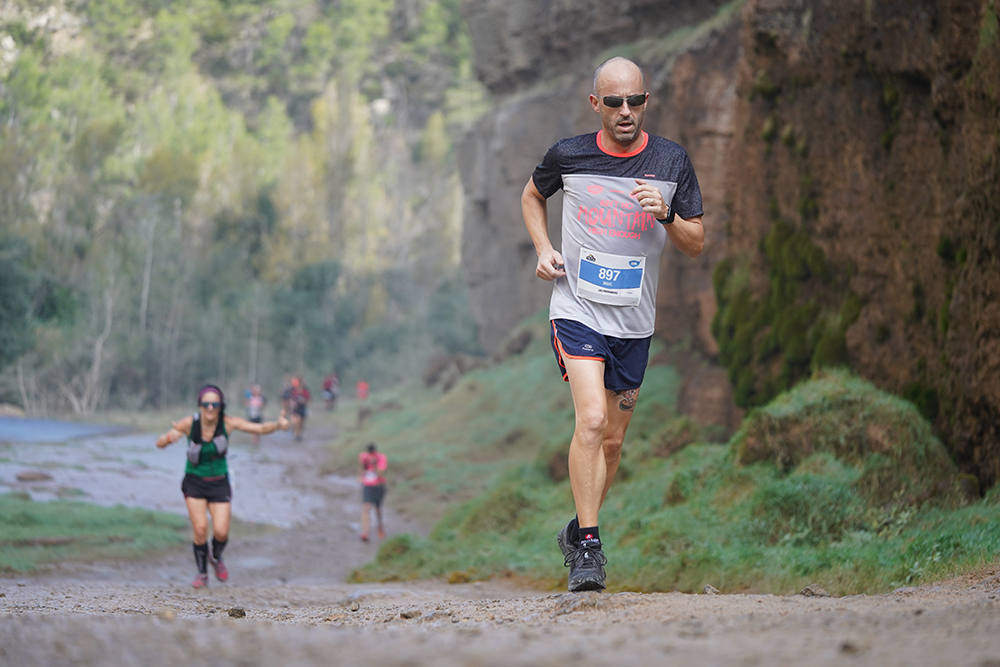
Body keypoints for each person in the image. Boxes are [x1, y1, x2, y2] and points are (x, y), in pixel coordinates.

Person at [520, 56, 704, 592]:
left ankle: (578, 530)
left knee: (614, 445)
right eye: (615, 102)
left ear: (646, 102)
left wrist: (667, 215)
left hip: (634, 322)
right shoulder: (569, 155)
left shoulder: (672, 162)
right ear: (595, 103)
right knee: (593, 420)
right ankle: (590, 553)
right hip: (576, 310)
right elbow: (532, 196)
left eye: (636, 101)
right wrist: (544, 248)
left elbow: (696, 243)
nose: (626, 112)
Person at [155, 384, 289, 588]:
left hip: (219, 483)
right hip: (194, 482)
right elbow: (160, 443)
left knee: (221, 532)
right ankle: (202, 573)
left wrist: (278, 425)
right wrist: (167, 439)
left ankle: (216, 557)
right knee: (200, 529)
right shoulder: (189, 424)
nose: (210, 408)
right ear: (200, 405)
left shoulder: (227, 423)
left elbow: (259, 428)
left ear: (220, 406)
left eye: (214, 404)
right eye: (206, 404)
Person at [358, 442, 387, 542]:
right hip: (368, 487)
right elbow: (363, 468)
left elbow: (380, 473)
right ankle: (365, 533)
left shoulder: (381, 458)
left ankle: (380, 525)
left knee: (377, 510)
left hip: (379, 486)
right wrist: (361, 476)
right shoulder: (363, 456)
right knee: (366, 508)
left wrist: (374, 464)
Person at [288, 375, 310, 441]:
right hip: (295, 409)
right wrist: (292, 404)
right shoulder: (294, 390)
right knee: (296, 422)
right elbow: (291, 399)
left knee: (301, 423)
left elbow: (308, 399)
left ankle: (299, 434)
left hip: (302, 408)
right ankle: (296, 434)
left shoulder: (305, 391)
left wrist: (303, 401)